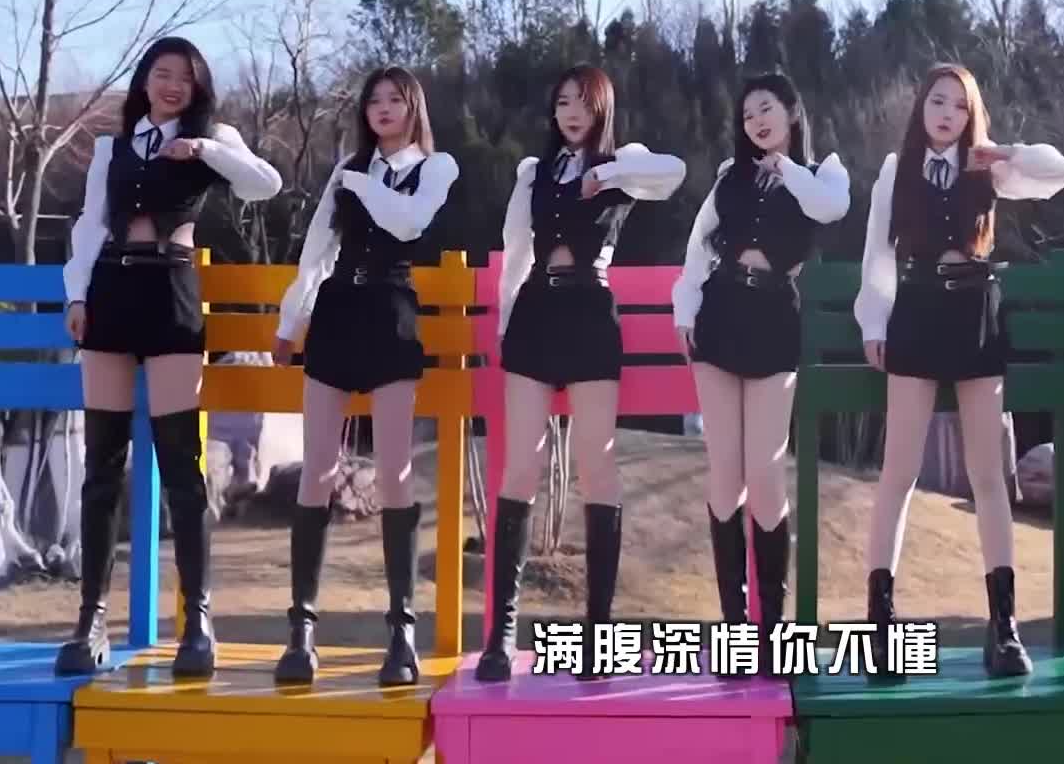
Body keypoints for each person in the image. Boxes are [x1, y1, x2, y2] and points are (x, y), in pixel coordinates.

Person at [58, 36, 282, 679]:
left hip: (172, 292)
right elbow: (89, 225)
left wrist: (204, 149)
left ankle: (197, 622)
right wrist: (76, 294)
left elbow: (265, 185)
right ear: (144, 81)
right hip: (110, 290)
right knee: (102, 464)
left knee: (182, 465)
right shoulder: (113, 148)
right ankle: (90, 619)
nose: (173, 85)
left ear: (198, 86)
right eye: (162, 73)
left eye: (185, 76)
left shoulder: (214, 138)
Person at [855, 62, 1064, 681]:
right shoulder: (896, 170)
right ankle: (880, 624)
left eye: (959, 104)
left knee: (987, 474)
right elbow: (877, 254)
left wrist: (1004, 153)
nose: (947, 112)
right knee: (898, 471)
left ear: (971, 113)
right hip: (918, 309)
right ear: (921, 107)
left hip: (977, 310)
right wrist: (873, 323)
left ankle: (1003, 625)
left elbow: (1058, 173)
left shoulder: (989, 166)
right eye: (937, 101)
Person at [475, 64, 687, 682]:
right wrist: (505, 323)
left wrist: (608, 174)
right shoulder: (533, 173)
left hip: (592, 313)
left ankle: (599, 631)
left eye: (582, 102)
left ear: (601, 109)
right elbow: (516, 252)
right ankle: (501, 633)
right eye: (562, 102)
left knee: (597, 461)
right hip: (536, 312)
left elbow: (673, 174)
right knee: (521, 465)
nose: (571, 112)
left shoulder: (627, 165)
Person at [271, 66, 460, 686]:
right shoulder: (348, 170)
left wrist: (358, 181)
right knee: (318, 469)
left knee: (394, 472)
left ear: (413, 107)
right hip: (336, 313)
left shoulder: (435, 167)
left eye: (395, 99)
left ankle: (401, 632)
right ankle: (301, 631)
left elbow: (408, 223)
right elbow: (316, 250)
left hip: (390, 314)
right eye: (373, 100)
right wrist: (292, 321)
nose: (382, 108)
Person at [673, 71, 849, 677]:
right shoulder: (730, 176)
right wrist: (685, 309)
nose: (757, 122)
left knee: (765, 472)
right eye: (748, 115)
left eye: (766, 109)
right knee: (725, 473)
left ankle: (772, 628)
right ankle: (734, 629)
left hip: (775, 318)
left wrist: (787, 168)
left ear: (791, 112)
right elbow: (698, 246)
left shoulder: (821, 173)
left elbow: (831, 208)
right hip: (720, 313)